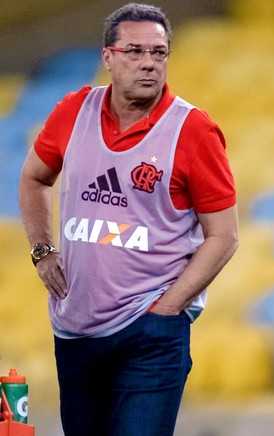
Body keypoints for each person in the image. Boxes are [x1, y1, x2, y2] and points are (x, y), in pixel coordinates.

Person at [18, 3, 238, 435]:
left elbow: (224, 236)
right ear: (108, 57)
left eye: (159, 53)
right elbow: (33, 178)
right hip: (75, 329)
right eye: (135, 51)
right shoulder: (74, 111)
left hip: (149, 333)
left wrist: (168, 309)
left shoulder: (193, 130)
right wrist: (42, 251)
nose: (149, 64)